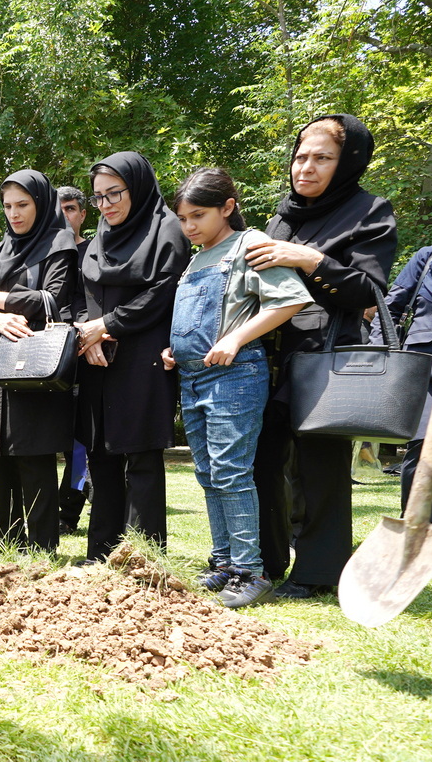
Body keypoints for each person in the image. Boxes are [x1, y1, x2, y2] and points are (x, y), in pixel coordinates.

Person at [248, 114, 397, 598]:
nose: (306, 168)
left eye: (322, 158)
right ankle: (266, 561)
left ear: (347, 162)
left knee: (319, 467)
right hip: (268, 353)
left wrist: (310, 260)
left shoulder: (370, 211)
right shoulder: (283, 216)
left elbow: (368, 291)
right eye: (300, 157)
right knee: (263, 461)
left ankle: (317, 570)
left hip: (326, 354)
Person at [160, 168, 311, 608]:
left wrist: (236, 338)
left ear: (227, 207)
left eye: (198, 216)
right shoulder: (196, 259)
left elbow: (290, 299)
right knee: (208, 473)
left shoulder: (250, 244)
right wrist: (176, 349)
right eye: (183, 218)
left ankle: (251, 571)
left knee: (231, 471)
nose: (189, 227)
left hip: (235, 376)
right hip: (192, 377)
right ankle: (224, 562)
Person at [76, 152, 191, 563]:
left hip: (143, 358)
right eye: (98, 197)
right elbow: (82, 295)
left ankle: (143, 558)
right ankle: (101, 553)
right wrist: (88, 336)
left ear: (137, 188)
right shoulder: (98, 239)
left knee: (141, 456)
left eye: (114, 194)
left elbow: (162, 292)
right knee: (101, 457)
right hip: (98, 359)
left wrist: (107, 324)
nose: (105, 205)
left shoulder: (167, 230)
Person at [0, 170, 78, 553]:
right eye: (7, 206)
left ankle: (42, 546)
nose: (14, 214)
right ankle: (9, 540)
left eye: (22, 205)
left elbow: (55, 299)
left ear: (41, 204)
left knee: (34, 457)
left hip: (36, 364)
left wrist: (0, 300)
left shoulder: (60, 244)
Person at [375, 238, 432, 531]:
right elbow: (389, 310)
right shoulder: (429, 257)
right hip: (425, 367)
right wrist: (382, 359)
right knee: (424, 445)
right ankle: (419, 525)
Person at [56, 185, 91, 534]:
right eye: (58, 209)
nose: (64, 216)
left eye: (70, 208)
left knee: (80, 444)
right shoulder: (44, 253)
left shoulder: (95, 252)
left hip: (83, 354)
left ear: (82, 213)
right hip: (45, 357)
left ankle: (68, 513)